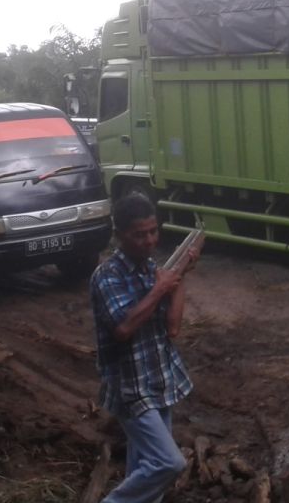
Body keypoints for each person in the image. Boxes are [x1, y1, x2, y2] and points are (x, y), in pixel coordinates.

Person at [90, 194, 200, 503]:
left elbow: (173, 328)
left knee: (146, 470)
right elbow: (124, 328)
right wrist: (160, 288)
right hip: (131, 388)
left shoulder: (153, 270)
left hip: (158, 379)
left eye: (153, 231)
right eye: (139, 234)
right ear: (120, 235)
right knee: (169, 462)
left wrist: (179, 278)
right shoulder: (108, 276)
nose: (149, 240)